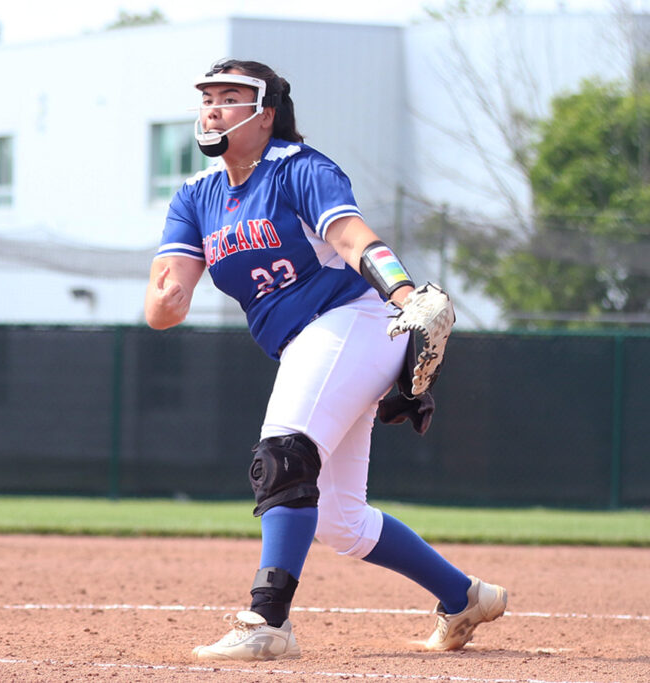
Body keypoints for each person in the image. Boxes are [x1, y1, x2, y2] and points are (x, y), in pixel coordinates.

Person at [144, 59, 507, 661]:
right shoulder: (196, 198)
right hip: (307, 344)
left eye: (231, 97)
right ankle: (463, 596)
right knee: (341, 519)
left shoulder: (300, 170)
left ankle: (267, 620)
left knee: (283, 455)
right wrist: (167, 297)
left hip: (355, 322)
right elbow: (164, 308)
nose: (212, 107)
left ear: (265, 116)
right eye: (207, 97)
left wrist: (405, 295)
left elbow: (353, 239)